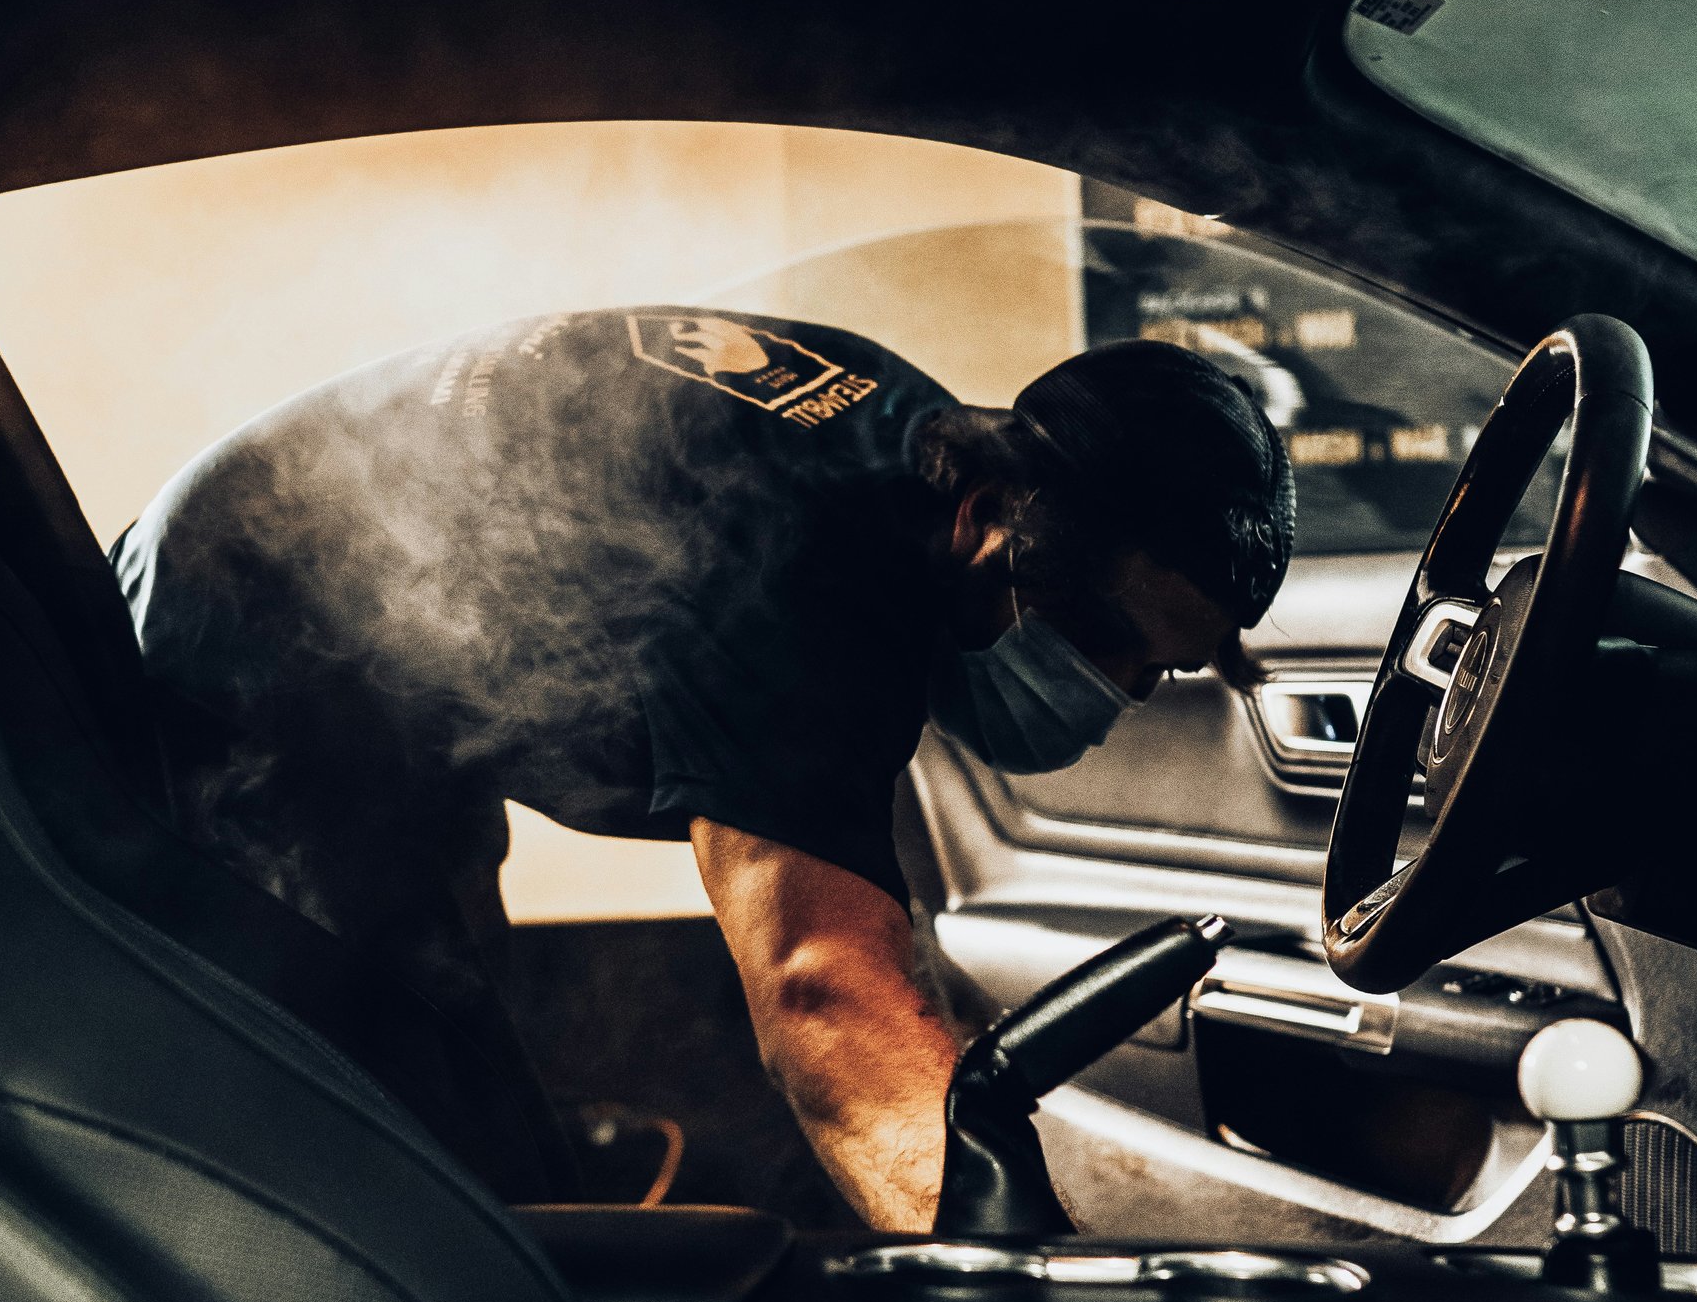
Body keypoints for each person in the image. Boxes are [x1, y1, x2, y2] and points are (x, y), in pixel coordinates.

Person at [113, 306, 1294, 1225]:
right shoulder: (803, 570)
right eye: (1110, 644)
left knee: (457, 1037)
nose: (1123, 692)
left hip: (392, 664)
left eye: (1164, 675)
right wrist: (1040, 1293)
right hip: (245, 648)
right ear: (992, 521)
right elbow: (822, 1001)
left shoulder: (928, 453)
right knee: (390, 1145)